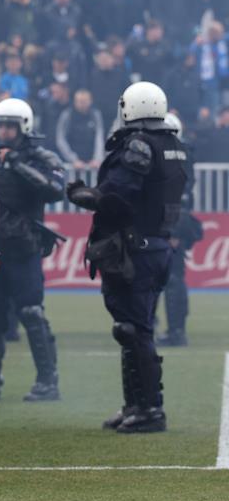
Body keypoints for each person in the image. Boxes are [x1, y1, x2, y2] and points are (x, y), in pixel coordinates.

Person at [67, 82, 188, 434]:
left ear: (129, 108)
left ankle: (150, 409)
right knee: (131, 329)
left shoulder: (139, 145)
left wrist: (84, 194)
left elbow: (117, 195)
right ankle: (135, 404)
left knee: (135, 329)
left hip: (136, 249)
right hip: (156, 245)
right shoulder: (172, 144)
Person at [0, 98, 66, 403]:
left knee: (32, 312)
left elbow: (55, 189)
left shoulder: (40, 156)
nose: (3, 131)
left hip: (25, 248)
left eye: (9, 126)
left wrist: (16, 163)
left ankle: (47, 381)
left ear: (23, 127)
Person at [158, 113, 201, 348]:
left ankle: (176, 331)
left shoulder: (172, 156)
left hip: (170, 222)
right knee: (172, 278)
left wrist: (173, 230)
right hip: (174, 220)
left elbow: (178, 194)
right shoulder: (184, 153)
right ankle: (175, 329)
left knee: (172, 279)